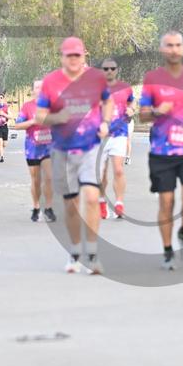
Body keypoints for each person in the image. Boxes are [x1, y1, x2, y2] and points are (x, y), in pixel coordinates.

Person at [36, 37, 113, 275]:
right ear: (62, 57)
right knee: (71, 206)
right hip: (62, 150)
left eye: (77, 55)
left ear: (83, 56)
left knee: (91, 197)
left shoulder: (96, 78)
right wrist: (57, 118)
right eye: (69, 55)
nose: (73, 60)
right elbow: (40, 116)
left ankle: (93, 253)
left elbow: (107, 101)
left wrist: (105, 122)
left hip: (90, 147)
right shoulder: (51, 82)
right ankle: (75, 250)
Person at [139, 31, 183, 270]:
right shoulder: (152, 78)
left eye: (178, 45)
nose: (174, 49)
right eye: (169, 45)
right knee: (166, 202)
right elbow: (142, 115)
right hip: (162, 151)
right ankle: (168, 250)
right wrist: (157, 111)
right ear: (162, 49)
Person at [13, 81, 56, 223]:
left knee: (49, 177)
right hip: (32, 147)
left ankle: (48, 208)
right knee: (36, 180)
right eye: (38, 87)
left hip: (48, 146)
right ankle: (36, 206)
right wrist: (32, 121)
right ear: (33, 91)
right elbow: (17, 125)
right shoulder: (27, 106)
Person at [99, 58, 135, 219]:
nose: (109, 71)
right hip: (101, 135)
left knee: (118, 169)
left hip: (119, 133)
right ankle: (101, 201)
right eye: (106, 69)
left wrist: (131, 110)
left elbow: (131, 103)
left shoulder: (125, 88)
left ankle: (119, 203)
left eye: (112, 68)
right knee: (101, 173)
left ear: (117, 70)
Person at [0, 93, 11, 162]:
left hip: (4, 127)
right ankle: (2, 157)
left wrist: (3, 114)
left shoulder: (6, 107)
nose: (0, 99)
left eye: (1, 98)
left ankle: (0, 148)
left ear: (3, 99)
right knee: (0, 142)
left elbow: (10, 116)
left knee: (4, 144)